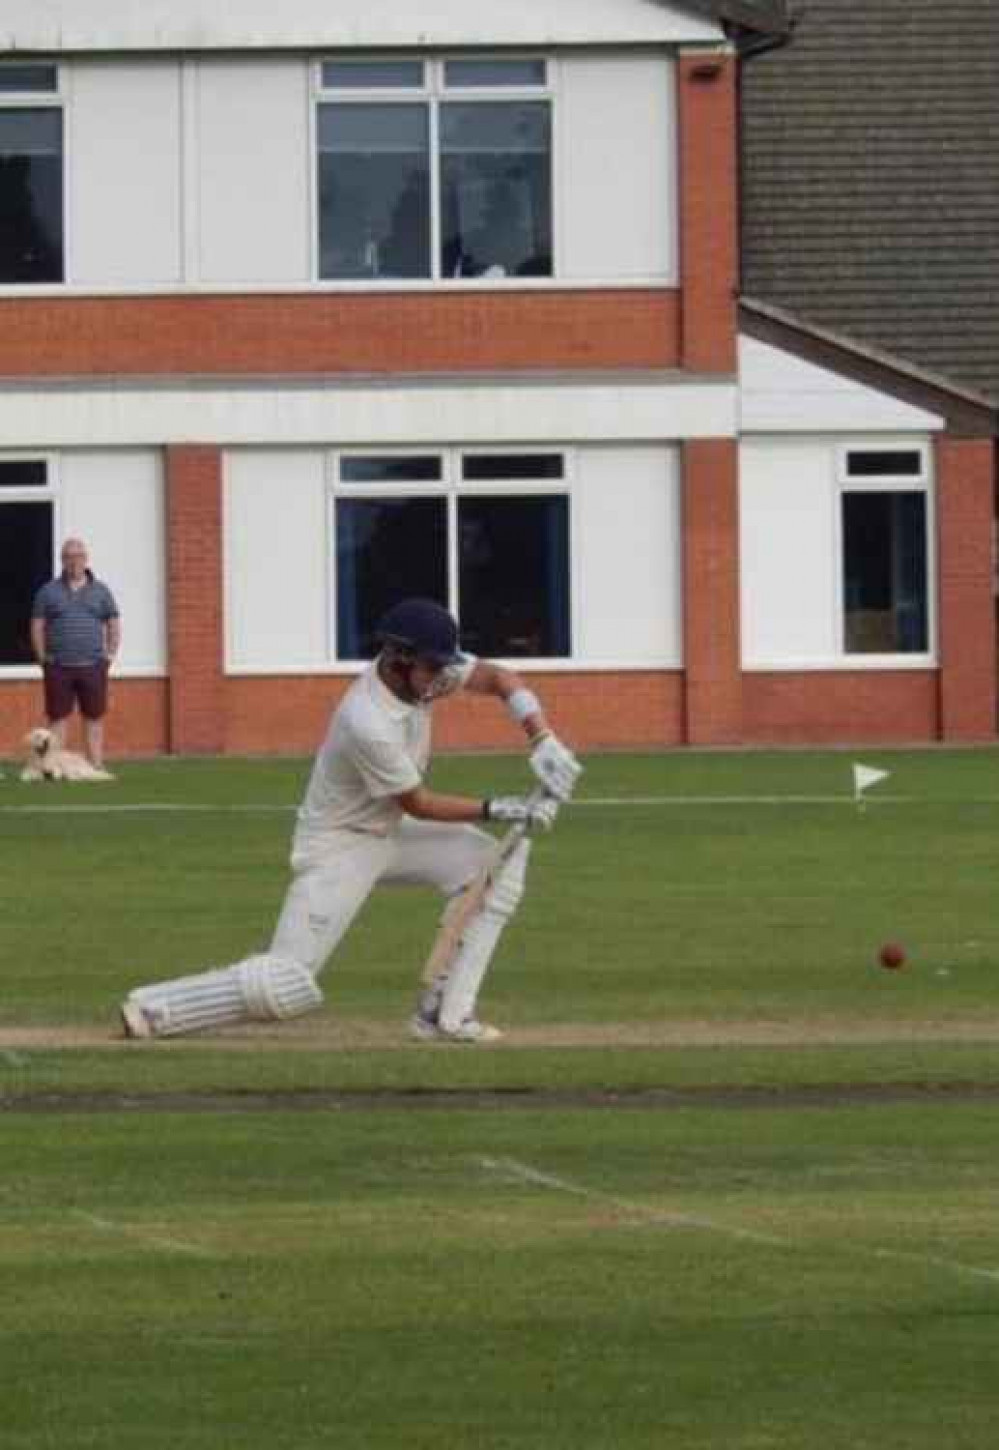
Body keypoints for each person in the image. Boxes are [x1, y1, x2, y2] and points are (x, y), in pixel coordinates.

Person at [120, 598, 582, 1043]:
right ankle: (154, 1008)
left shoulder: (426, 671)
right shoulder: (367, 718)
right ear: (399, 659)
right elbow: (417, 802)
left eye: (444, 666)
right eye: (431, 667)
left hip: (390, 832)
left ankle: (445, 1015)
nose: (441, 677)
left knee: (498, 867)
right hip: (340, 845)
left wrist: (540, 736)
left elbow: (501, 678)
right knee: (287, 982)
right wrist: (499, 807)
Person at [30, 538, 121, 774]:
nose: (74, 561)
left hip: (93, 665)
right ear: (62, 560)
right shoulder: (48, 591)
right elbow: (37, 625)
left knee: (93, 718)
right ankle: (54, 767)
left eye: (78, 556)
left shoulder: (101, 591)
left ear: (85, 559)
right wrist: (42, 658)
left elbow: (113, 622)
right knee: (58, 718)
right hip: (58, 666)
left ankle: (96, 764)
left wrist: (109, 655)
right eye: (68, 557)